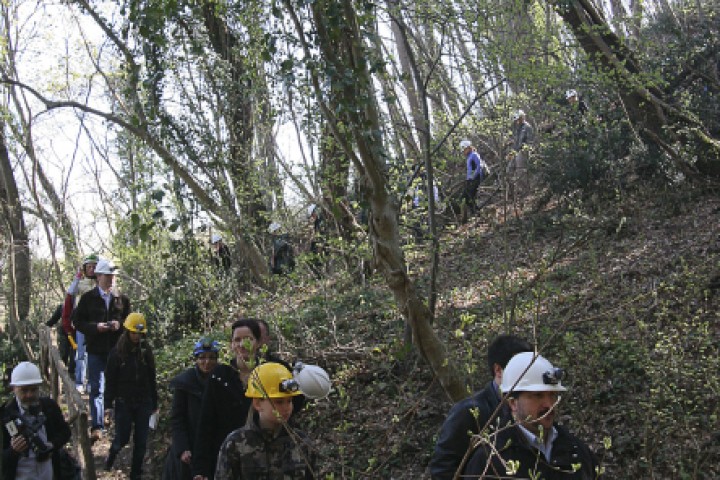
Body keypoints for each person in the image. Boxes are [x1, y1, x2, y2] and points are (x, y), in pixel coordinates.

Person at [463, 352, 601, 479]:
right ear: (512, 403)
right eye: (538, 396)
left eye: (552, 395)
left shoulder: (576, 451)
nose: (548, 404)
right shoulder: (491, 458)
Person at [429, 334, 532, 480]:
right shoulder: (469, 412)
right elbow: (443, 469)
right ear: (498, 370)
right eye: (520, 369)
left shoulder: (536, 408)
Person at [215, 362, 316, 479]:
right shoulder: (236, 444)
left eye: (289, 401)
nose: (286, 408)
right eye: (279, 402)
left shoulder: (301, 443)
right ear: (257, 403)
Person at [72, 258, 131, 443]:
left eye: (113, 276)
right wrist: (95, 327)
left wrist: (118, 325)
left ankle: (115, 420)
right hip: (96, 350)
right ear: (98, 276)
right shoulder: (88, 299)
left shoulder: (121, 299)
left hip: (117, 351)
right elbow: (78, 322)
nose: (111, 280)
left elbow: (130, 322)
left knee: (118, 387)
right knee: (96, 387)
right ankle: (97, 426)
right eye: (107, 276)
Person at [104, 313, 158, 480]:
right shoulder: (117, 353)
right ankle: (111, 457)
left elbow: (151, 377)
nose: (136, 336)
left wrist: (155, 403)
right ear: (127, 332)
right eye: (134, 333)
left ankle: (135, 474)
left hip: (144, 402)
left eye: (139, 334)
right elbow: (110, 381)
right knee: (122, 438)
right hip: (124, 402)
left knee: (141, 442)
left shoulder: (146, 351)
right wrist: (107, 405)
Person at [1, 361, 72, 480]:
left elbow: (65, 432)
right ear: (14, 389)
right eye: (24, 390)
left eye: (33, 390)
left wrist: (52, 445)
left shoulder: (49, 407)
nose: (29, 395)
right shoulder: (4, 415)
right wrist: (13, 451)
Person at [162, 338, 220, 480]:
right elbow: (177, 418)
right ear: (196, 359)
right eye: (202, 358)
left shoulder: (221, 381)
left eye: (211, 358)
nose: (207, 362)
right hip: (189, 446)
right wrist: (183, 448)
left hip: (212, 447)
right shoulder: (184, 382)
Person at [62, 253, 99, 392]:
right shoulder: (81, 283)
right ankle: (79, 382)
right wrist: (77, 277)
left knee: (93, 353)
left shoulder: (99, 283)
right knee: (80, 354)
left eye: (94, 267)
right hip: (81, 324)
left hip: (95, 324)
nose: (91, 269)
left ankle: (90, 382)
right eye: (89, 267)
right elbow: (70, 292)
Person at [459, 140, 488, 222]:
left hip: (476, 179)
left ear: (468, 148)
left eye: (464, 150)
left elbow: (479, 166)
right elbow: (470, 170)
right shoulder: (469, 157)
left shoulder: (474, 155)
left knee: (471, 196)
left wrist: (473, 177)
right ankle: (474, 212)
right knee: (464, 197)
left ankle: (477, 213)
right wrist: (468, 179)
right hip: (470, 180)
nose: (463, 152)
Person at [45, 304, 75, 373]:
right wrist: (46, 326)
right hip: (65, 334)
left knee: (74, 352)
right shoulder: (62, 307)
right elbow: (54, 319)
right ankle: (62, 372)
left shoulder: (79, 307)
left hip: (74, 336)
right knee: (64, 352)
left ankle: (71, 372)